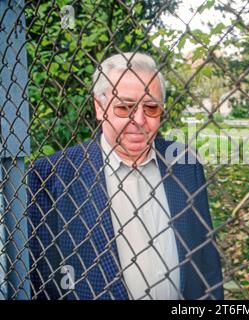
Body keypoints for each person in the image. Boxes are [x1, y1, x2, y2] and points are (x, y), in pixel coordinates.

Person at [27, 52, 223, 300]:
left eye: (151, 107)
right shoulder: (51, 175)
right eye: (124, 107)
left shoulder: (185, 163)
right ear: (100, 108)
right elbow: (42, 280)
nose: (139, 120)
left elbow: (206, 261)